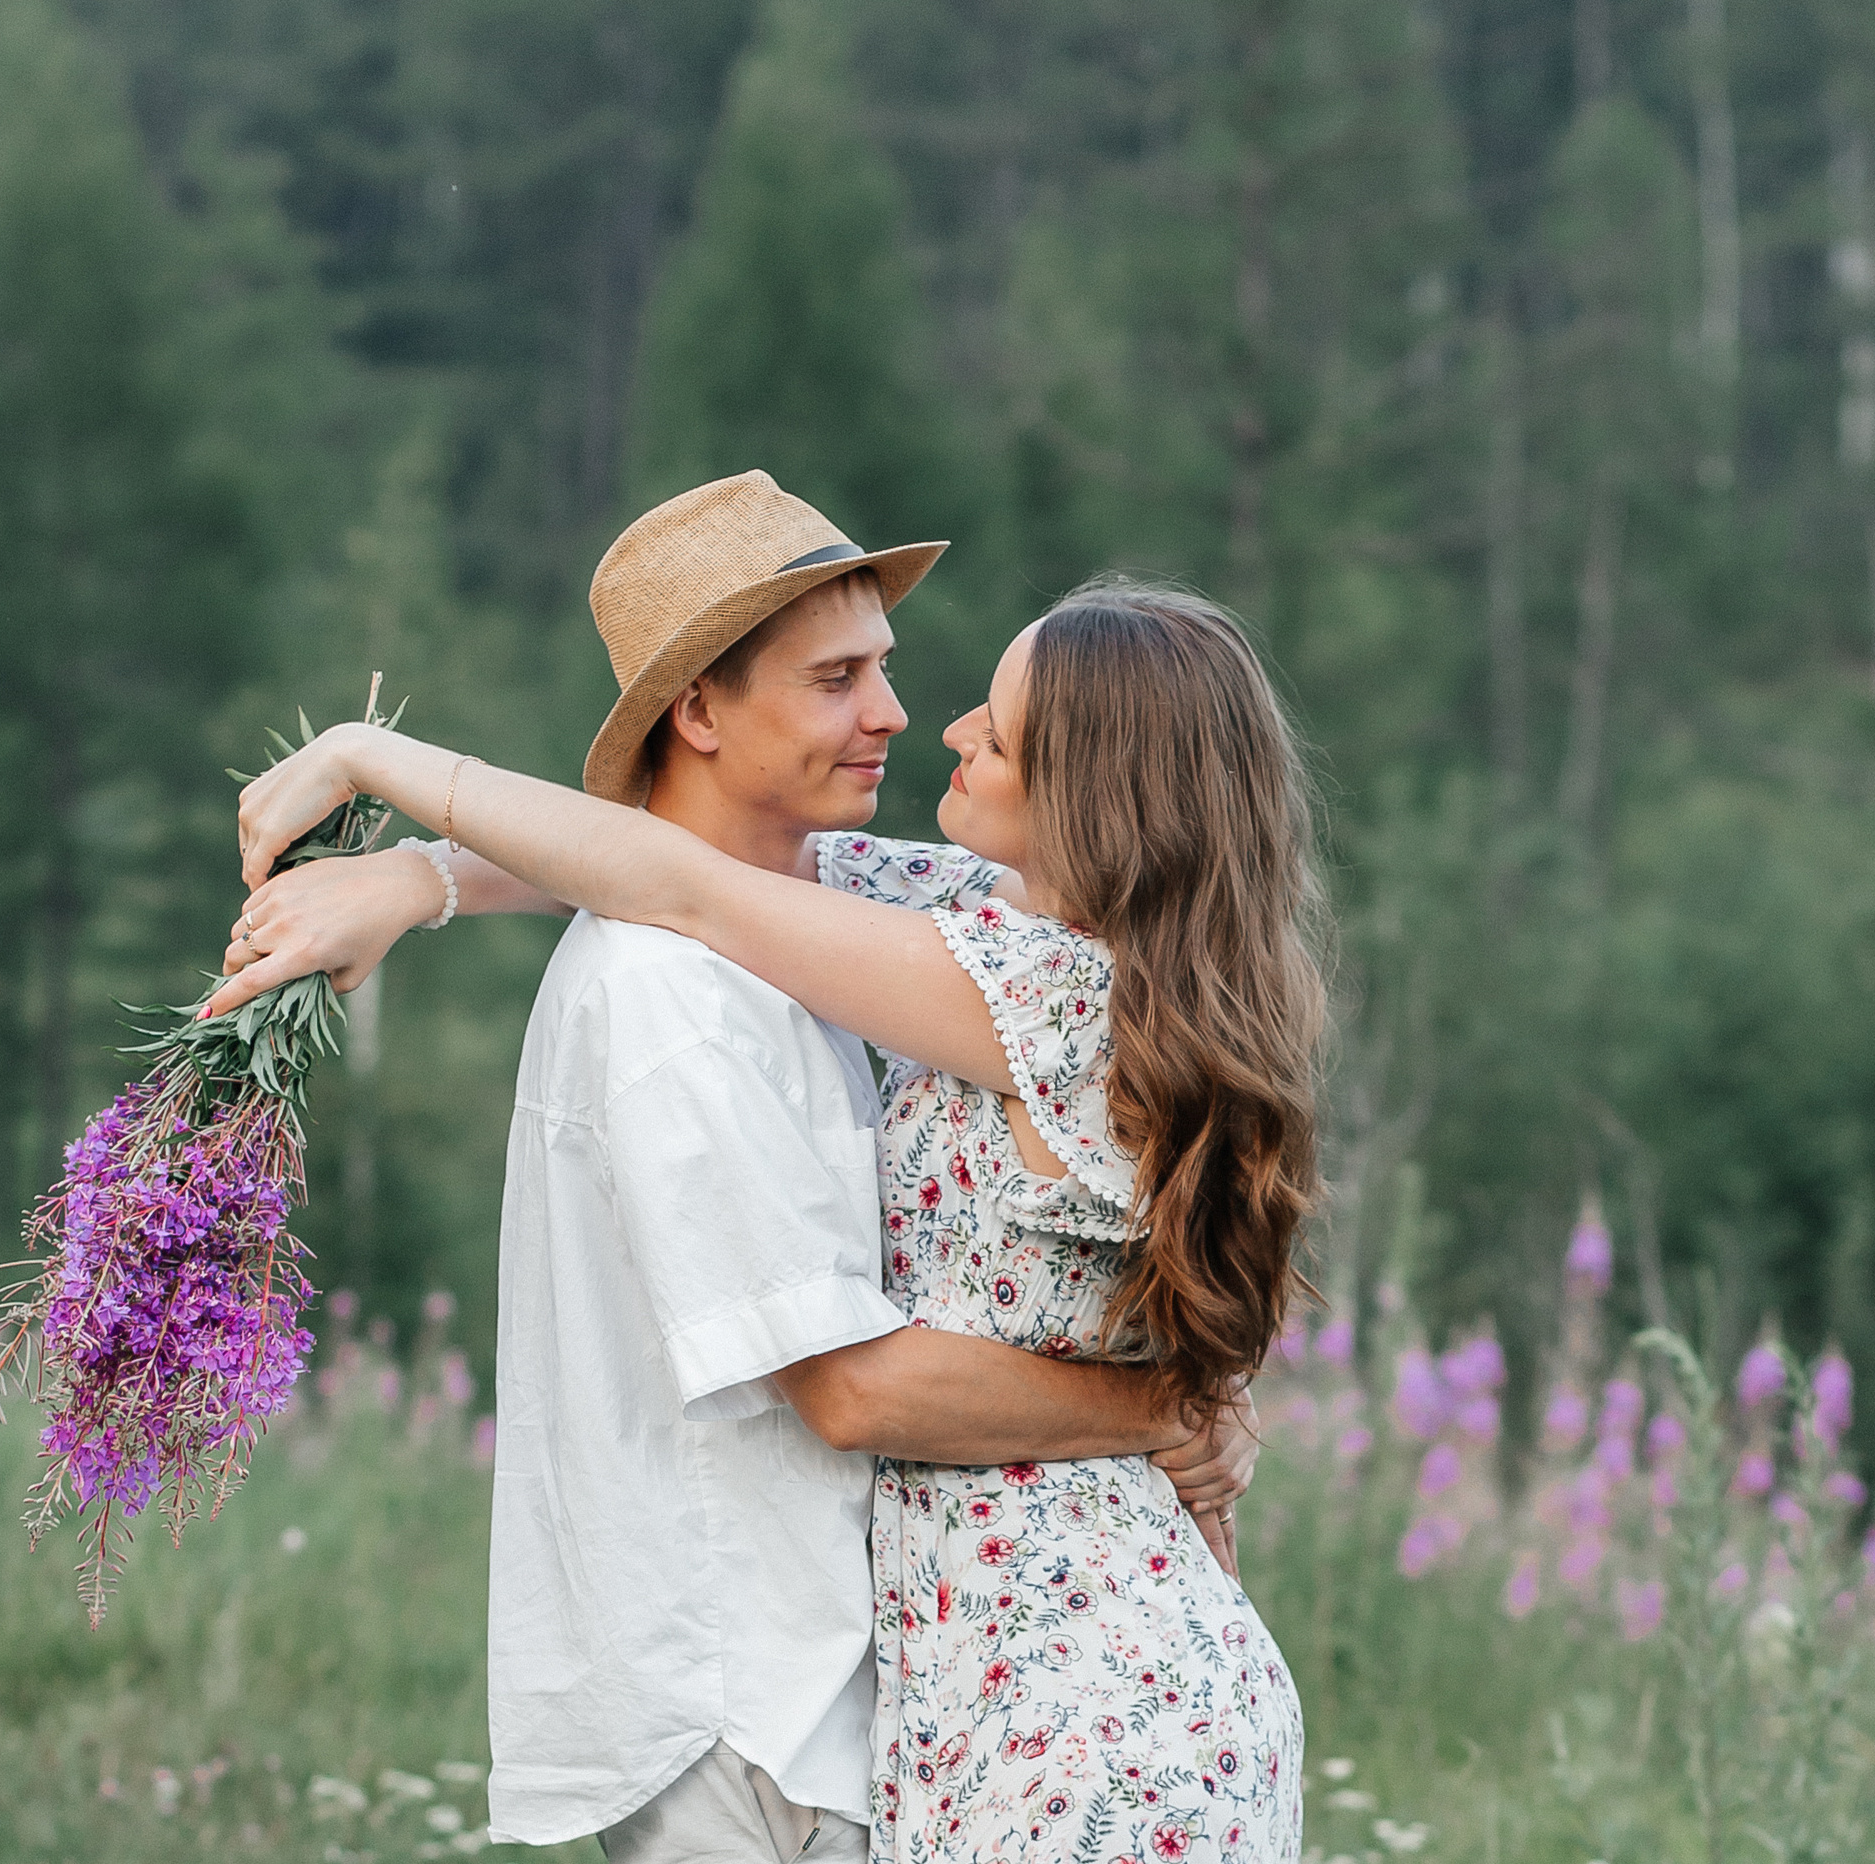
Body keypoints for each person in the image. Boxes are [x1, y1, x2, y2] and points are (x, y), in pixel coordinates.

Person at [209, 472, 1258, 1862]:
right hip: (844, 1705)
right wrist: (424, 876)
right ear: (701, 710)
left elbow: (691, 882)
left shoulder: (1028, 978)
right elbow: (677, 874)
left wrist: (381, 774)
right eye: (840, 677)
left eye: (982, 728)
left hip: (1047, 1708)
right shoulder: (827, 953)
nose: (911, 718)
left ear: (1100, 798)